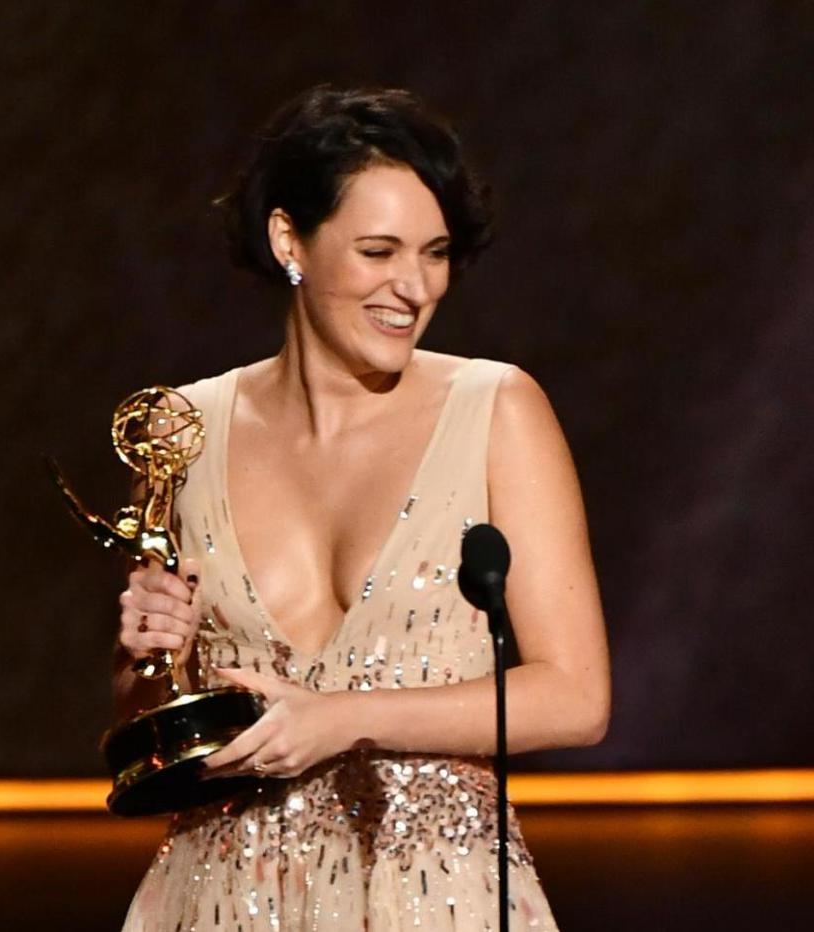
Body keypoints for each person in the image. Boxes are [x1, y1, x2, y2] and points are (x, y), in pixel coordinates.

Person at [114, 85, 610, 930]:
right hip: (229, 896)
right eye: (379, 251)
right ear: (289, 240)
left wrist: (344, 721)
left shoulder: (497, 410)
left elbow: (576, 697)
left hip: (438, 897)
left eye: (436, 253)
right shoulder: (183, 432)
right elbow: (151, 718)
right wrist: (140, 656)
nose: (413, 287)